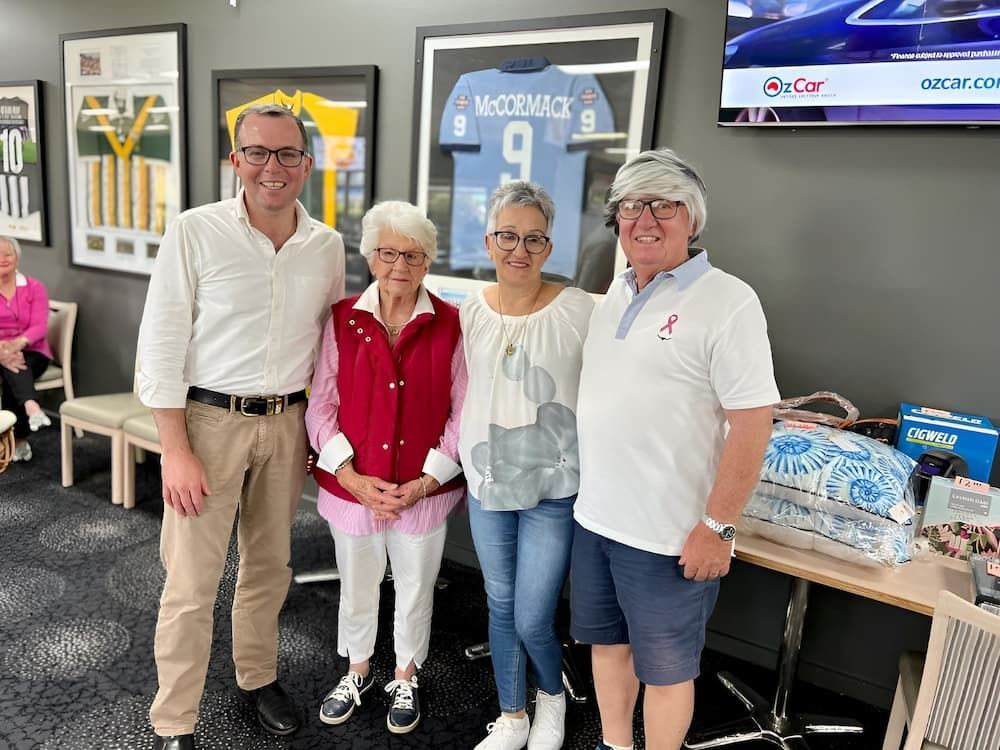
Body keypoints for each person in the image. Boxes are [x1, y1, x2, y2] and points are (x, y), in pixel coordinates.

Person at [136, 103, 345, 750]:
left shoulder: (327, 244)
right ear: (236, 160)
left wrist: (318, 431)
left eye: (286, 154)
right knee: (193, 583)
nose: (272, 168)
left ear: (306, 165)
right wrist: (174, 447)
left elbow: (330, 348)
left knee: (269, 567)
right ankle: (175, 719)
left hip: (285, 424)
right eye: (257, 152)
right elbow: (162, 340)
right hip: (208, 423)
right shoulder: (196, 231)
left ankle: (257, 678)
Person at [571, 148, 779, 750]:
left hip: (670, 537)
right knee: (606, 646)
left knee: (666, 672)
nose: (645, 219)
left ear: (693, 218)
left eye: (664, 204)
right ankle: (614, 744)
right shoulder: (612, 293)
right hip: (597, 520)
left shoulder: (728, 300)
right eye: (632, 206)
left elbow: (753, 423)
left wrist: (719, 526)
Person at [306, 200, 467, 735]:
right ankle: (358, 670)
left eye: (414, 255)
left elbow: (462, 413)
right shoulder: (343, 318)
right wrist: (349, 476)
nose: (401, 265)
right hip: (353, 488)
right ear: (371, 258)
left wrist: (424, 484)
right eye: (389, 253)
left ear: (428, 261)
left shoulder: (451, 324)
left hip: (423, 494)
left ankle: (405, 674)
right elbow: (321, 405)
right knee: (357, 586)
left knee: (417, 587)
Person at [461, 181, 594, 750]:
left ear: (549, 247)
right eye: (508, 236)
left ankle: (552, 699)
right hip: (486, 481)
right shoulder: (469, 309)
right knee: (499, 604)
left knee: (532, 617)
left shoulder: (580, 310)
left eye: (534, 239)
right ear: (490, 241)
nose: (520, 249)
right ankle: (512, 716)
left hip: (554, 490)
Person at [0, 235, 53, 463]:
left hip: (33, 350)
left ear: (17, 258)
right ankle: (30, 413)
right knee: (11, 365)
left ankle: (14, 440)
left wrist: (18, 344)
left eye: (8, 254)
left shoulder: (34, 287)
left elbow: (40, 326)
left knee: (16, 365)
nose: (3, 259)